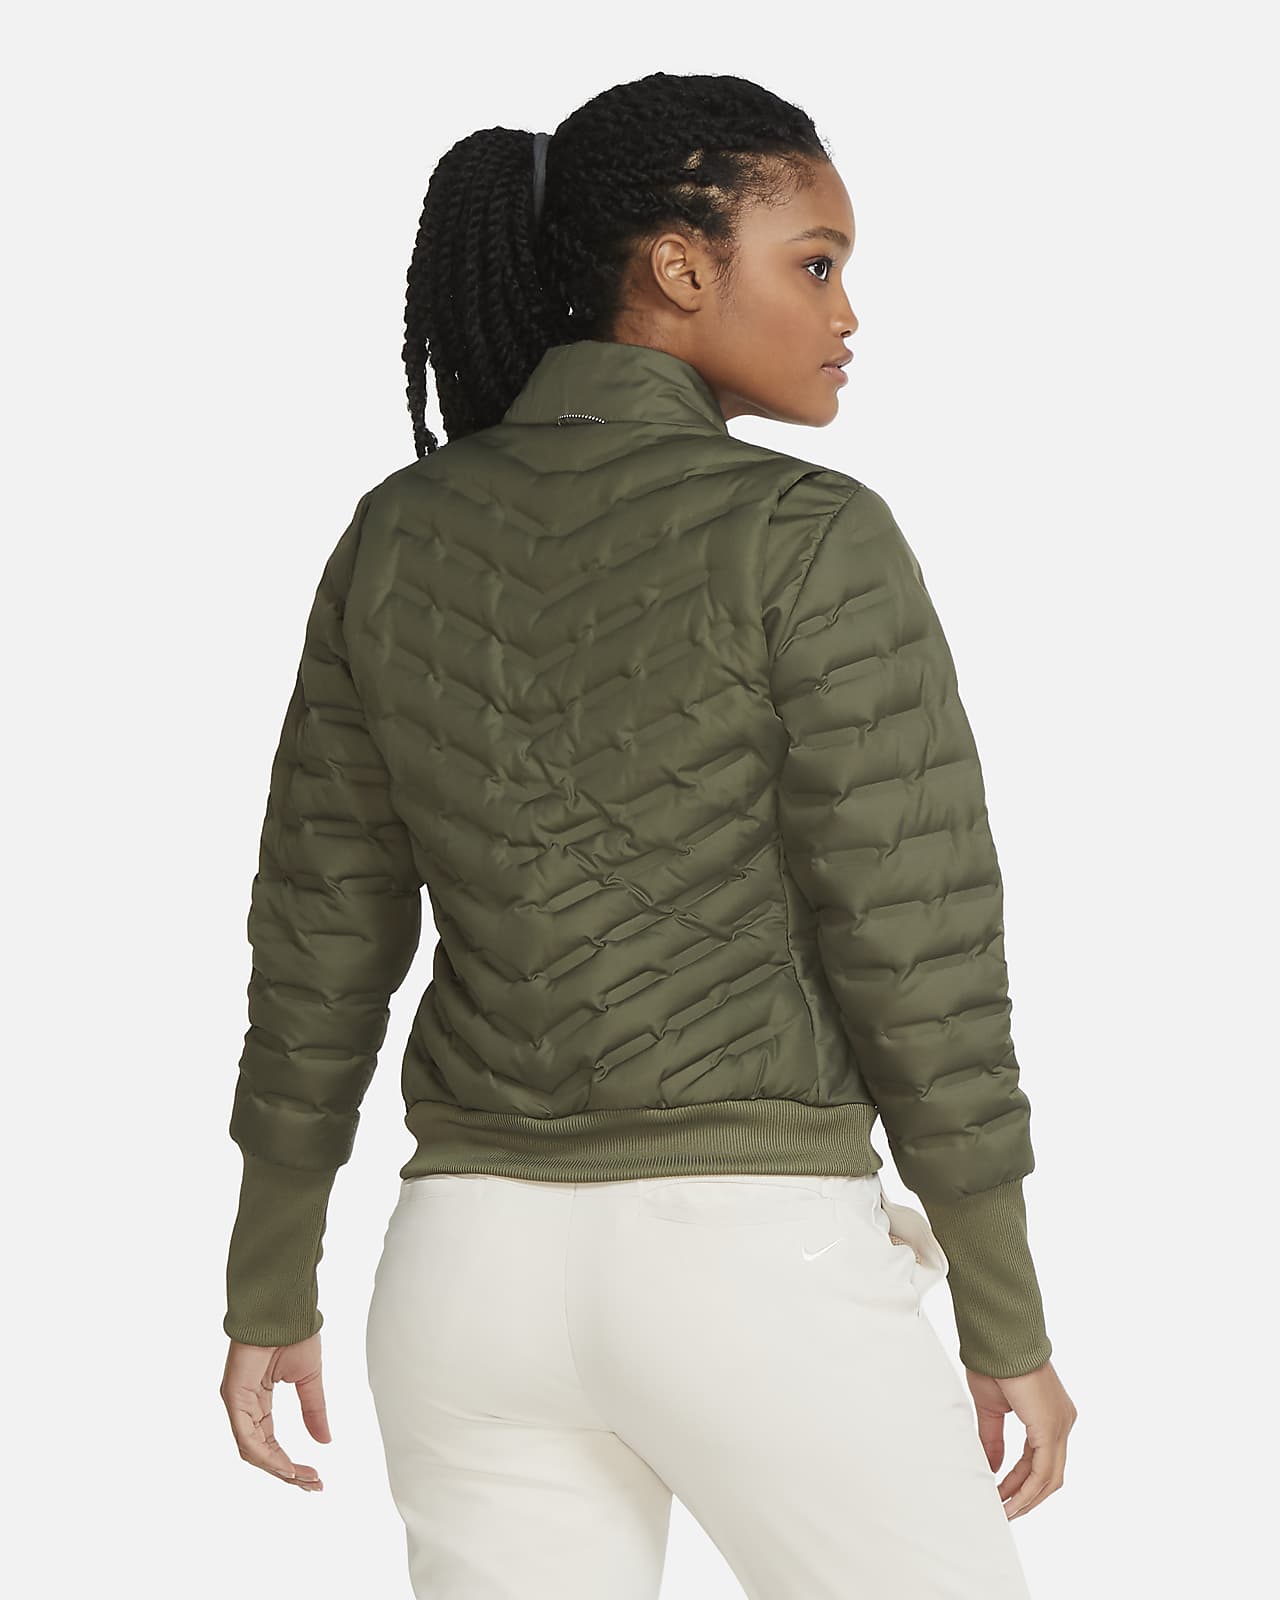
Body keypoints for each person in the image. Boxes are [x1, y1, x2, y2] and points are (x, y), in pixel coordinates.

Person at [219, 70, 1077, 1600]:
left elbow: (319, 934)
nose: (847, 313)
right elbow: (917, 947)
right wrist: (1004, 1315)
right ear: (681, 268)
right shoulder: (805, 536)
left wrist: (268, 1279)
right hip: (752, 1267)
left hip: (464, 1274)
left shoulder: (399, 533)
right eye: (816, 263)